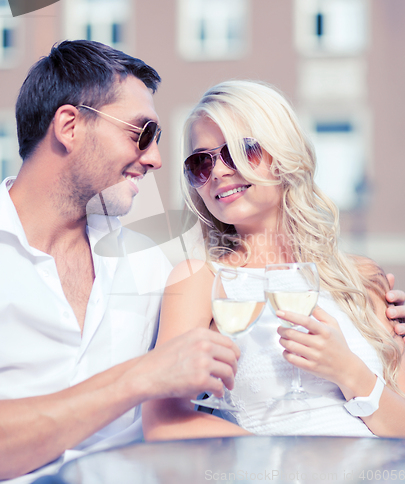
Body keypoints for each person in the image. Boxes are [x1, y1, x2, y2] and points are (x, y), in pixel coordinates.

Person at [0, 40, 240, 482]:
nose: (155, 159)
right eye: (141, 133)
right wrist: (141, 377)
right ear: (69, 126)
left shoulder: (152, 263)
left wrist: (369, 313)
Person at [142, 80, 405, 440]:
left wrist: (350, 372)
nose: (219, 172)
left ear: (283, 154)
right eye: (200, 163)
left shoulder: (361, 278)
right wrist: (282, 462)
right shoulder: (200, 280)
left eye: (241, 151)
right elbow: (162, 422)